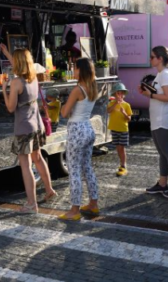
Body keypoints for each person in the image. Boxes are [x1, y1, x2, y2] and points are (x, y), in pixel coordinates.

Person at [2, 47, 56, 214]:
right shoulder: (33, 78)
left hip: (24, 127)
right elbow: (21, 66)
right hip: (36, 124)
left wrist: (5, 89)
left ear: (17, 63)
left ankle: (31, 204)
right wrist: (7, 54)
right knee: (38, 158)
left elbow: (11, 108)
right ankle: (49, 190)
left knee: (25, 165)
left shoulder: (16, 82)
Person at [58, 58, 100, 221]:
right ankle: (93, 203)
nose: (73, 72)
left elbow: (64, 113)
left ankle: (74, 210)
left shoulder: (78, 89)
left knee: (74, 170)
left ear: (80, 70)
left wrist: (62, 105)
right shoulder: (93, 86)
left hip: (76, 130)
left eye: (75, 69)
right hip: (88, 129)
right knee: (87, 168)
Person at [141, 45, 168, 199]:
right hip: (158, 119)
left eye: (152, 57)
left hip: (163, 119)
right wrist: (148, 92)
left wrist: (149, 95)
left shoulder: (165, 75)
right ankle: (162, 183)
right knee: (163, 153)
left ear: (159, 59)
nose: (150, 59)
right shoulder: (161, 74)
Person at [107, 83, 133, 177]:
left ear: (124, 94)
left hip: (123, 129)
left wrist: (124, 113)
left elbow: (129, 119)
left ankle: (123, 165)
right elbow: (108, 111)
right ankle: (121, 163)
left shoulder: (126, 105)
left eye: (121, 93)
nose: (119, 95)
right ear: (114, 95)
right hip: (114, 128)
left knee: (122, 147)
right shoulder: (111, 103)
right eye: (117, 93)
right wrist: (115, 104)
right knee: (118, 147)